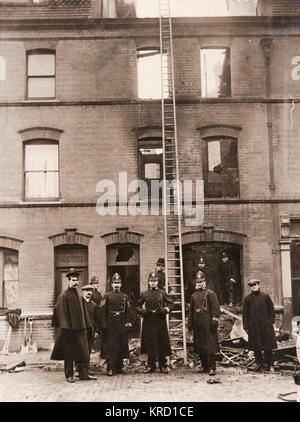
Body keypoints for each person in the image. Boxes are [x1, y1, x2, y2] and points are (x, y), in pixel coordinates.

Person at [50, 269, 96, 382]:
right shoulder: (63, 296)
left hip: (80, 329)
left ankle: (84, 375)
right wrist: (66, 328)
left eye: (77, 280)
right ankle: (69, 375)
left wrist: (87, 325)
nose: (75, 283)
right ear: (69, 281)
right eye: (73, 280)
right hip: (69, 331)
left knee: (83, 352)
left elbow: (84, 312)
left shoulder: (79, 296)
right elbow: (60, 312)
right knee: (69, 354)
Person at [137, 270, 173, 374]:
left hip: (160, 320)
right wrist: (143, 312)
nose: (153, 283)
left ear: (158, 282)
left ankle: (163, 365)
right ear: (148, 282)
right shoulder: (144, 293)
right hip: (148, 321)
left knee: (161, 343)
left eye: (155, 281)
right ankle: (151, 366)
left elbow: (171, 304)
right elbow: (137, 306)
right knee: (150, 343)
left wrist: (165, 310)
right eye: (151, 281)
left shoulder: (162, 293)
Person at [188, 271, 220, 376]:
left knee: (210, 347)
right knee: (200, 346)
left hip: (208, 325)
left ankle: (212, 367)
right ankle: (204, 367)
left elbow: (216, 309)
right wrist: (190, 325)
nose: (199, 284)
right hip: (198, 325)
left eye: (201, 282)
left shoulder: (210, 293)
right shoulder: (193, 296)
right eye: (197, 282)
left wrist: (214, 322)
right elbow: (191, 312)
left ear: (205, 283)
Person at [101, 273, 132, 376]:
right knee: (111, 346)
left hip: (121, 324)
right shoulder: (107, 296)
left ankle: (119, 367)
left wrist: (128, 322)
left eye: (118, 283)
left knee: (121, 345)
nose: (117, 285)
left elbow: (128, 311)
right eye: (115, 283)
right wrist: (104, 325)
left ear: (121, 284)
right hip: (110, 324)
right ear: (111, 285)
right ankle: (110, 367)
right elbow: (103, 311)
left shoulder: (125, 296)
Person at [242, 279, 277, 372]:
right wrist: (246, 326)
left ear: (258, 285)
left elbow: (271, 309)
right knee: (256, 346)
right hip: (254, 327)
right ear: (250, 287)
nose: (253, 286)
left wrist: (270, 321)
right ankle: (259, 364)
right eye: (251, 285)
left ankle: (268, 364)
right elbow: (245, 314)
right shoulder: (247, 299)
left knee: (267, 346)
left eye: (255, 284)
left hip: (265, 326)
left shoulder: (265, 296)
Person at [77, 284, 101, 377]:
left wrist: (96, 331)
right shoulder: (79, 304)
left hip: (90, 330)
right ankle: (78, 369)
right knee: (79, 350)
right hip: (81, 330)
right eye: (86, 291)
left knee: (88, 350)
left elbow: (96, 319)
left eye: (90, 291)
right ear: (83, 292)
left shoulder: (93, 305)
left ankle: (86, 369)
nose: (89, 293)